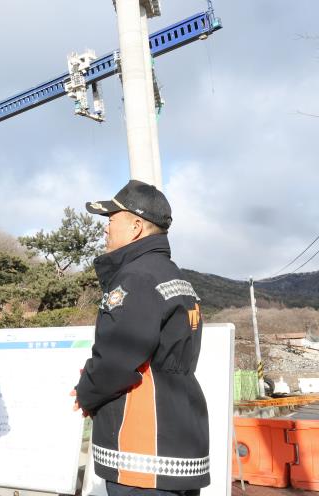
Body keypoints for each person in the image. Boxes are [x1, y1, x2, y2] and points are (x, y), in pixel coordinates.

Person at [73, 180, 209, 496]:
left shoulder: (136, 277)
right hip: (180, 446)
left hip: (143, 454)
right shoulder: (175, 277)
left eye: (111, 220)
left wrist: (86, 392)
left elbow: (117, 360)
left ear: (136, 226)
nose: (105, 229)